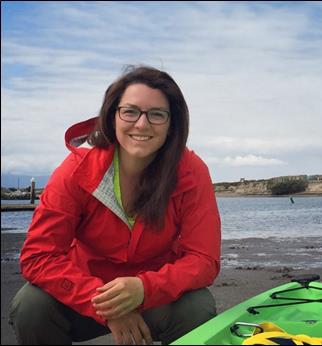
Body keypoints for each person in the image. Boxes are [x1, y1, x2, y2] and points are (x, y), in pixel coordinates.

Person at [9, 66, 221, 345]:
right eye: (130, 111)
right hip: (85, 294)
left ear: (173, 124)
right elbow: (38, 256)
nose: (142, 125)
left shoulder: (192, 172)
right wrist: (105, 304)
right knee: (31, 305)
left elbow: (204, 260)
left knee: (197, 306)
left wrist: (145, 289)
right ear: (112, 116)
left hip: (154, 296)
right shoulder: (76, 170)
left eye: (157, 114)